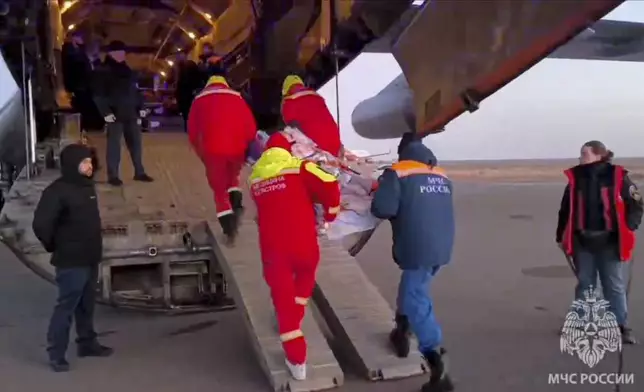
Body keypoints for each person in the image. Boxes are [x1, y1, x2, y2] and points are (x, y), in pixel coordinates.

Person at [249, 131, 341, 381]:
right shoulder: (300, 167)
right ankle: (296, 321)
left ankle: (296, 359)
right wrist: (330, 215)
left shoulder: (255, 178)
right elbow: (330, 183)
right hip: (304, 244)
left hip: (274, 249)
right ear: (287, 150)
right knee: (305, 276)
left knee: (282, 301)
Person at [371, 136, 455, 392]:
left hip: (418, 246)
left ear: (402, 152)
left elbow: (382, 208)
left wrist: (381, 188)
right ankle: (401, 331)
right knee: (413, 287)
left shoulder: (398, 173)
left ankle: (436, 360)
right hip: (441, 245)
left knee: (414, 296)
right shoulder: (441, 174)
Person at [32, 144, 113, 372]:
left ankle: (87, 344)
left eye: (89, 162)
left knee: (86, 305)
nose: (89, 166)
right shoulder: (57, 191)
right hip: (71, 260)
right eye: (84, 163)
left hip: (90, 257)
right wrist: (54, 245)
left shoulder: (86, 186)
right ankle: (56, 353)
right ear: (72, 165)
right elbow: (41, 224)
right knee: (66, 307)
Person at [556, 140, 643, 344]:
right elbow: (565, 210)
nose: (580, 157)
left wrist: (629, 226)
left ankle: (619, 327)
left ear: (599, 155)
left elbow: (636, 204)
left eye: (584, 154)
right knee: (585, 284)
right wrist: (560, 235)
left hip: (610, 242)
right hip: (582, 241)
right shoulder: (575, 179)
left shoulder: (618, 177)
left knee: (613, 285)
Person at [187, 73, 257, 244]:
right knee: (233, 177)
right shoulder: (237, 97)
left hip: (213, 151)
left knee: (219, 191)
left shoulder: (198, 101)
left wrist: (201, 153)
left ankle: (229, 227)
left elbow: (193, 132)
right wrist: (246, 145)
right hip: (236, 149)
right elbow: (251, 127)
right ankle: (237, 205)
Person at [92, 40, 153, 186]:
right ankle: (113, 175)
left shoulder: (128, 71)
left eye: (123, 52)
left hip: (131, 112)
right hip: (115, 114)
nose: (121, 55)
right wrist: (106, 112)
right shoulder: (103, 71)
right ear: (111, 54)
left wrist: (142, 107)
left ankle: (139, 172)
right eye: (118, 52)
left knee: (136, 144)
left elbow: (136, 92)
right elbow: (98, 95)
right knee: (114, 146)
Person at [281, 75, 344, 157]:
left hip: (319, 148)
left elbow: (292, 128)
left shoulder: (289, 102)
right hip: (335, 143)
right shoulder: (317, 96)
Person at [61, 32, 104, 132]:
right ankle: (89, 126)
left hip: (81, 85)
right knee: (86, 107)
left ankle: (90, 126)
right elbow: (77, 69)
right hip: (79, 86)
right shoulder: (73, 53)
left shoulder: (77, 53)